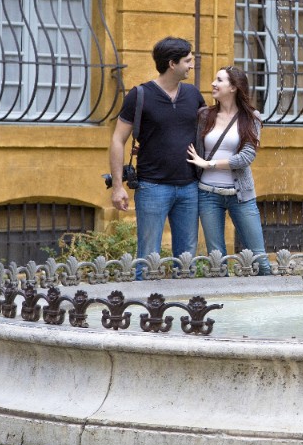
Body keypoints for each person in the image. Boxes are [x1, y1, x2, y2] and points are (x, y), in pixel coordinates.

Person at [109, 37, 204, 268]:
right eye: (188, 61)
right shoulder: (140, 95)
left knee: (187, 259)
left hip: (189, 186)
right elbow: (118, 139)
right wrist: (118, 186)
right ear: (172, 64)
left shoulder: (193, 95)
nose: (192, 65)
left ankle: (188, 303)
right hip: (152, 187)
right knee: (147, 257)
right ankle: (144, 302)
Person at [187, 66, 269, 274]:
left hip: (241, 195)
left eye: (219, 80)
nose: (213, 83)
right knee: (217, 260)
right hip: (207, 195)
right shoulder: (204, 115)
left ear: (233, 87)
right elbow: (191, 144)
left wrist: (209, 164)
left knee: (260, 259)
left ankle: (268, 302)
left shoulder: (252, 117)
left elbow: (246, 157)